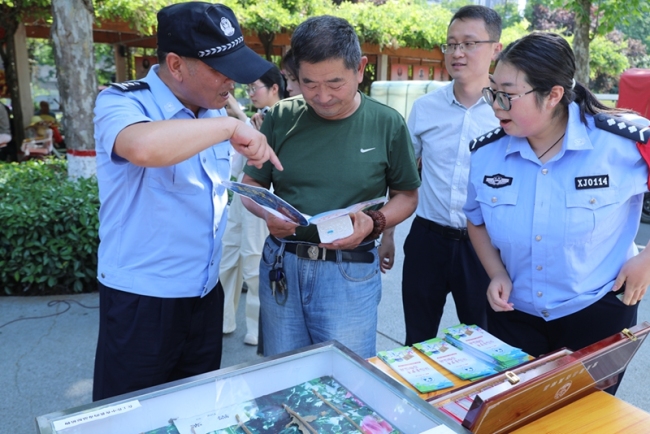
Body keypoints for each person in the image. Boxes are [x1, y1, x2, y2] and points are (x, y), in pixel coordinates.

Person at [92, 1, 280, 401]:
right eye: (220, 70)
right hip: (143, 301)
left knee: (193, 412)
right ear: (176, 65)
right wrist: (231, 125)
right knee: (129, 420)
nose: (232, 81)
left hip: (203, 297)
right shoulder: (124, 101)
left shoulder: (212, 112)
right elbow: (142, 147)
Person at [463, 32, 650, 394]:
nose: (496, 106)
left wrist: (648, 260)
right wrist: (497, 272)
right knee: (512, 415)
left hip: (598, 312)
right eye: (493, 92)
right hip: (515, 315)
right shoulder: (487, 153)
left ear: (553, 95)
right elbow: (476, 219)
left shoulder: (624, 142)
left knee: (584, 421)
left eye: (508, 95)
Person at [241, 15, 420, 359]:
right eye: (308, 83)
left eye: (335, 83)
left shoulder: (387, 124)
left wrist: (377, 222)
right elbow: (252, 184)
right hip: (284, 264)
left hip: (348, 270)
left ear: (360, 69)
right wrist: (266, 211)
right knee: (284, 377)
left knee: (346, 381)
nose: (322, 97)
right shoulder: (281, 117)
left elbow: (406, 195)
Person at [401, 5, 502, 345]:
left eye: (469, 43)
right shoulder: (425, 109)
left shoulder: (509, 112)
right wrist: (387, 233)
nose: (457, 53)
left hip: (485, 248)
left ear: (495, 49)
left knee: (484, 345)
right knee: (416, 340)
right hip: (427, 240)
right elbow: (402, 174)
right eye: (450, 44)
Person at [220, 65, 285, 346]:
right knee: (228, 254)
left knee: (253, 259)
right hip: (240, 191)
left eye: (254, 88)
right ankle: (223, 319)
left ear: (274, 88)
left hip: (262, 196)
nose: (251, 94)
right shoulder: (257, 118)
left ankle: (257, 329)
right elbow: (238, 161)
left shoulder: (286, 118)